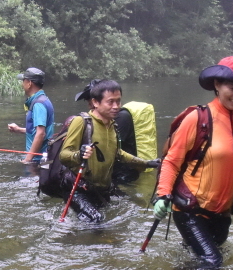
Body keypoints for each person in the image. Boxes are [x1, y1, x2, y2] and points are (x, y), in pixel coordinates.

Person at [153, 56, 233, 270]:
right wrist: (162, 195)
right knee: (213, 262)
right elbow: (172, 161)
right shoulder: (198, 118)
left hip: (223, 212)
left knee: (199, 259)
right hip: (191, 209)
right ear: (217, 84)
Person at [58, 80, 158, 222]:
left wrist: (147, 163)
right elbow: (63, 155)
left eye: (118, 101)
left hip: (102, 188)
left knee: (130, 208)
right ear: (95, 102)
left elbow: (118, 153)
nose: (116, 106)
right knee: (96, 220)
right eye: (110, 102)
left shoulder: (113, 125)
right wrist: (79, 154)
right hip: (78, 188)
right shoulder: (81, 122)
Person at [7, 68, 55, 165]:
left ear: (29, 83)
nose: (22, 84)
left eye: (23, 81)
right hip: (40, 159)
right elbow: (37, 131)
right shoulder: (43, 99)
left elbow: (41, 134)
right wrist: (19, 130)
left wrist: (27, 160)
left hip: (37, 161)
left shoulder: (38, 104)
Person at [112, 101, 158, 184]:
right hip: (136, 169)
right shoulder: (124, 115)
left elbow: (112, 149)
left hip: (124, 173)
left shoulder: (121, 118)